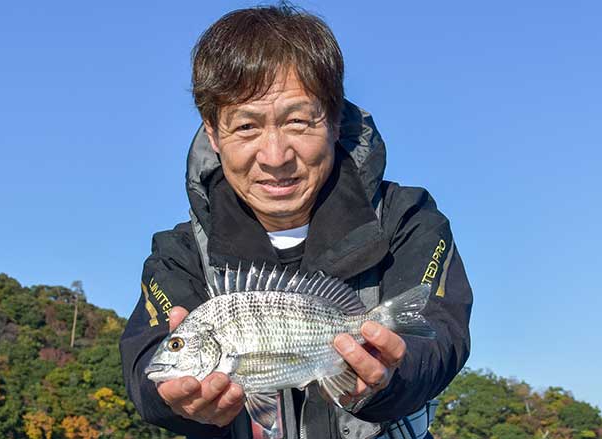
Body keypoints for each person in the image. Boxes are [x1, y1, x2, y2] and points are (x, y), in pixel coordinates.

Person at [120, 4, 472, 439]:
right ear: (212, 133)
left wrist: (391, 377)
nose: (275, 156)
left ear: (335, 119)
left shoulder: (408, 221)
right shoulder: (180, 254)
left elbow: (438, 335)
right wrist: (173, 400)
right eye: (246, 126)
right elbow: (144, 362)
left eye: (299, 121)